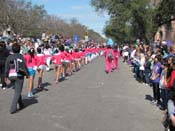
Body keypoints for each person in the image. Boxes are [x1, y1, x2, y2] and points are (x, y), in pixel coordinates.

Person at [5, 43, 29, 114]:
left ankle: (21, 104)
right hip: (19, 76)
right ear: (19, 49)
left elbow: (6, 68)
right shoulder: (21, 56)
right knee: (17, 92)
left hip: (11, 76)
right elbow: (24, 66)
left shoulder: (9, 57)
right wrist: (27, 74)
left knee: (17, 90)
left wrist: (6, 77)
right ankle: (13, 109)